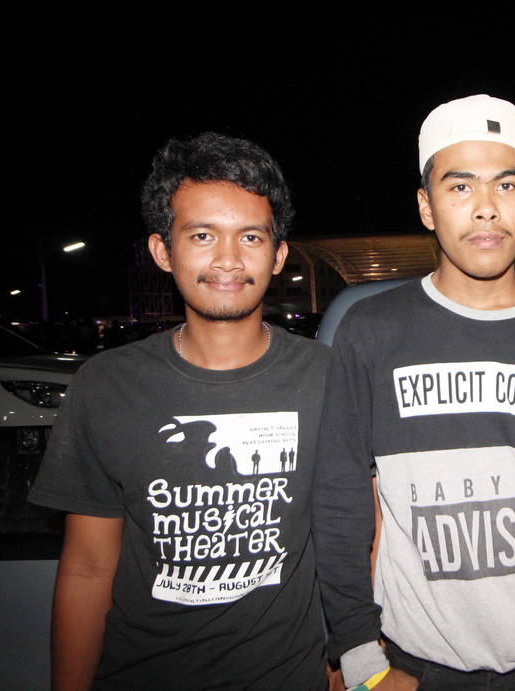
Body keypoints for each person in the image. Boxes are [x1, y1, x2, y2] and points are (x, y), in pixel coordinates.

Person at [313, 95, 515, 691]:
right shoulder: (373, 332)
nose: (486, 208)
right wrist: (361, 662)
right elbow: (338, 502)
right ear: (426, 207)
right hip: (415, 667)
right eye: (460, 187)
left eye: (506, 185)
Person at [29, 132, 331, 690]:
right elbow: (88, 567)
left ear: (278, 254)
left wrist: (353, 663)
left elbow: (363, 539)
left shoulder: (330, 378)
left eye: (251, 236)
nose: (228, 259)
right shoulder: (107, 385)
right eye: (202, 235)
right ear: (162, 251)